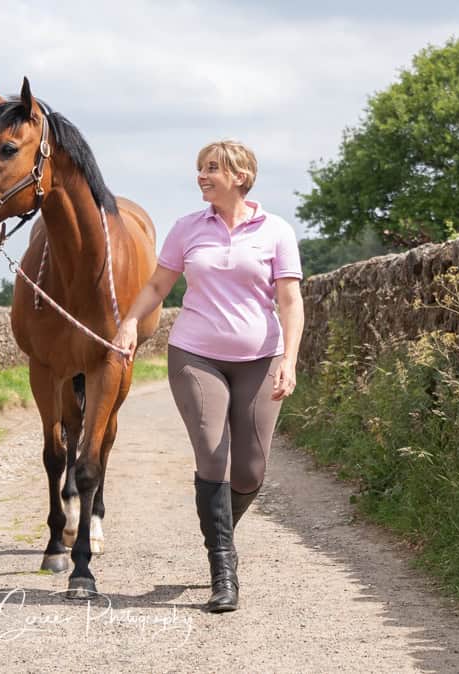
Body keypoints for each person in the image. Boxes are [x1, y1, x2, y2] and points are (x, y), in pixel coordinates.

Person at [112, 140, 305, 613]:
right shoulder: (186, 229)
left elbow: (290, 302)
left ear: (240, 176)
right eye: (200, 168)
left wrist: (290, 360)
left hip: (261, 358)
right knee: (213, 454)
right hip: (196, 355)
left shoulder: (276, 231)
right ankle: (223, 568)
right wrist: (131, 321)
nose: (202, 175)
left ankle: (220, 527)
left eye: (212, 168)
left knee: (251, 469)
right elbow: (159, 284)